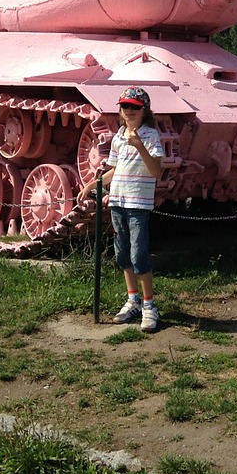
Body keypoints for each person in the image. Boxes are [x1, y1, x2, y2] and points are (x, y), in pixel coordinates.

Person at [77, 86, 165, 332]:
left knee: (139, 255)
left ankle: (149, 305)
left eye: (134, 107)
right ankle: (133, 299)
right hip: (118, 201)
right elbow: (115, 170)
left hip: (138, 203)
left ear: (144, 111)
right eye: (125, 106)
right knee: (122, 255)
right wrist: (92, 185)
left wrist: (139, 146)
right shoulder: (118, 136)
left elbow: (156, 170)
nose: (129, 111)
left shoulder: (150, 136)